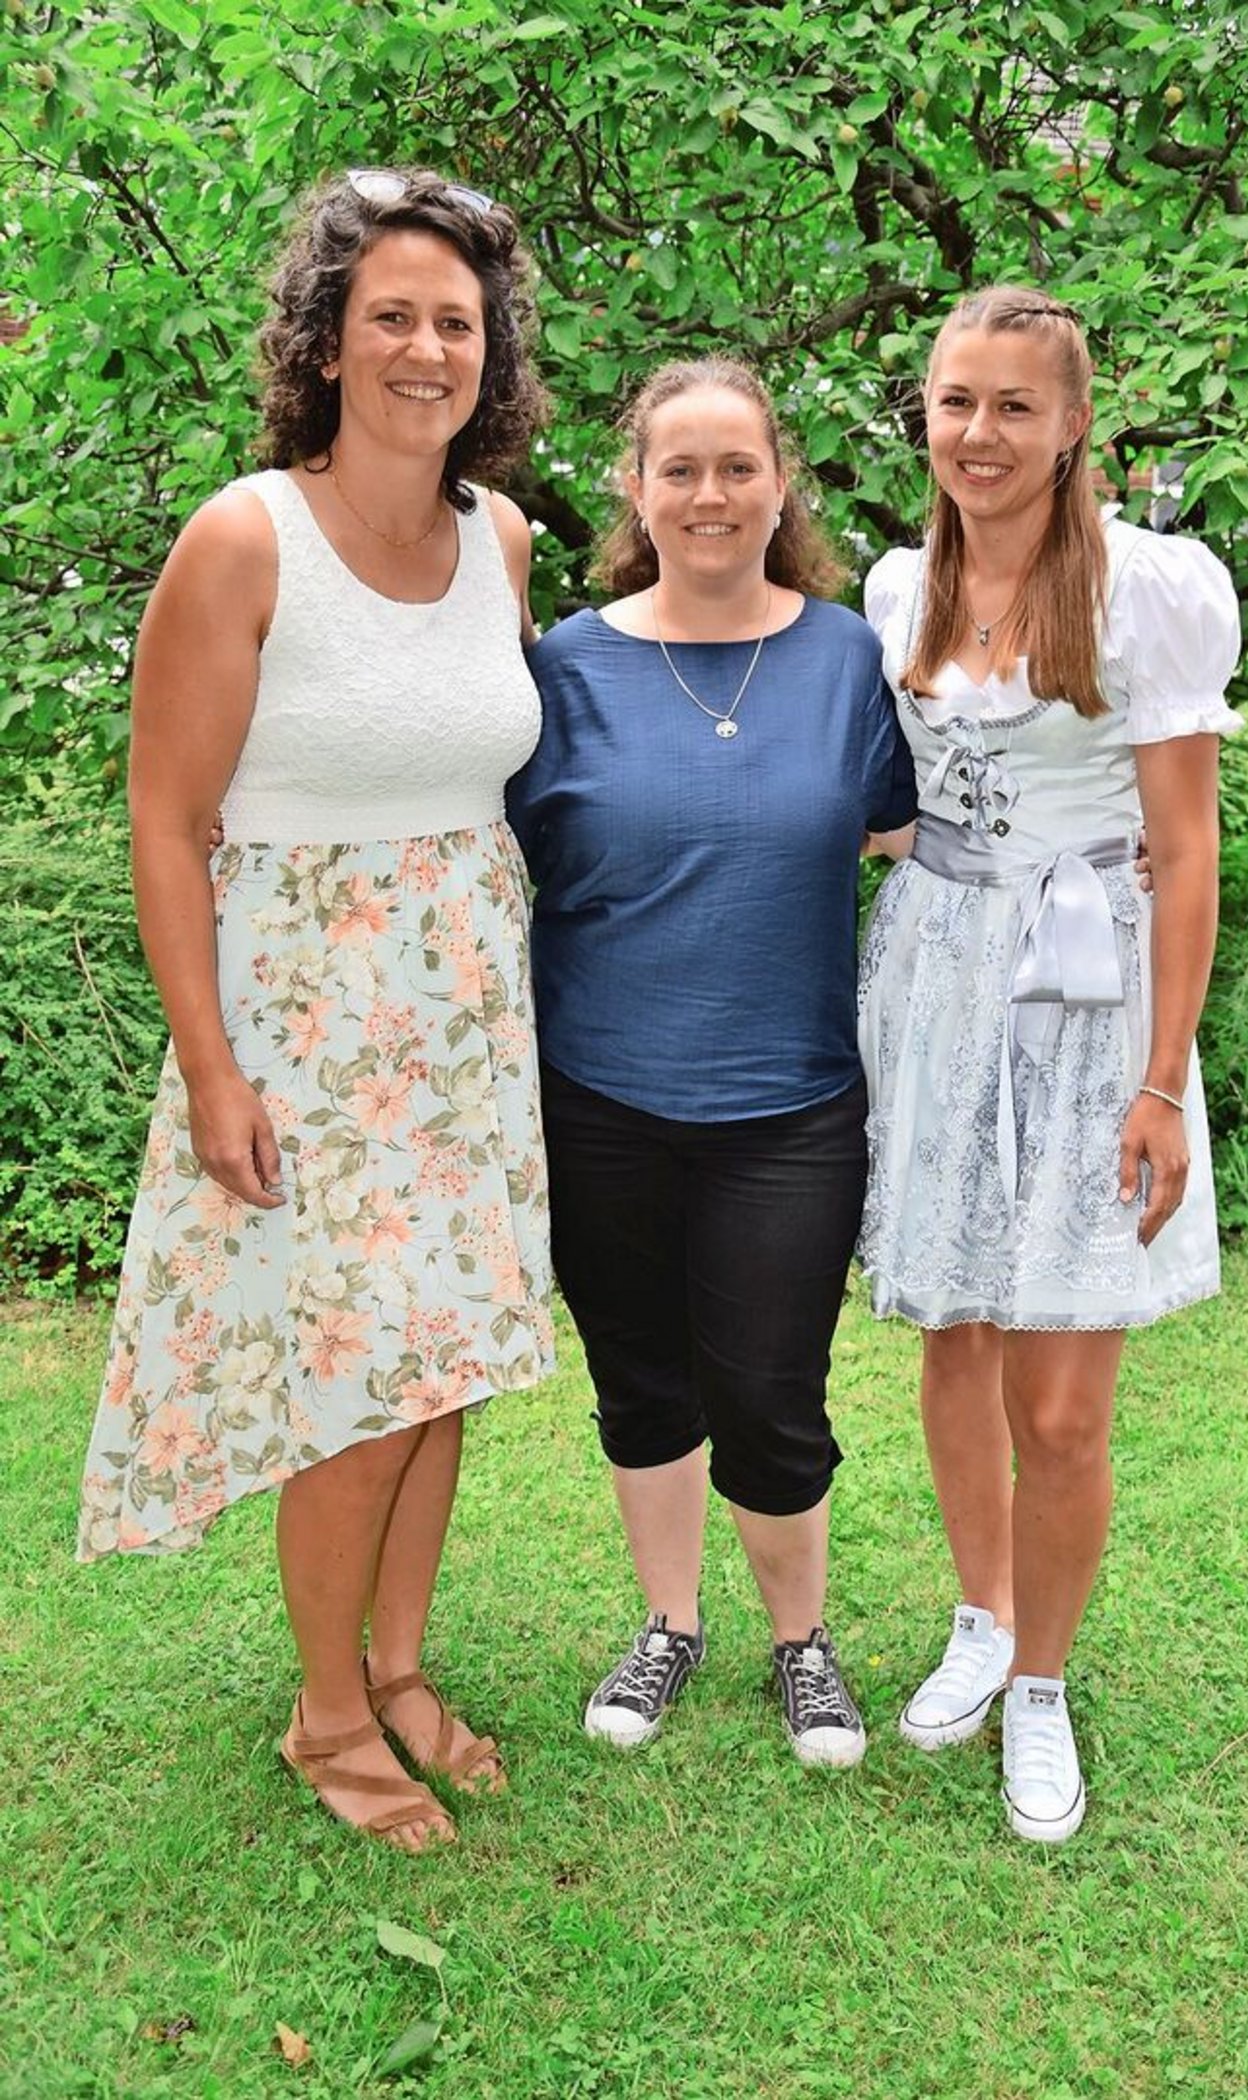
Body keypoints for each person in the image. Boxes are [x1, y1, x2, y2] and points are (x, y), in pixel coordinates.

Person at [77, 170, 554, 1851]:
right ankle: (329, 1713)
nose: (430, 347)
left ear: (490, 354)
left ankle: (404, 1665)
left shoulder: (503, 541)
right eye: (394, 319)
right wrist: (211, 1066)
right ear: (330, 344)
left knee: (445, 1371)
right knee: (353, 1387)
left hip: (469, 1016)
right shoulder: (244, 536)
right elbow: (164, 817)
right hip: (304, 1018)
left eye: (458, 321)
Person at [857, 286, 1242, 1840]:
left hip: (1090, 991)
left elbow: (1188, 846)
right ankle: (982, 1614)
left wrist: (1163, 1081)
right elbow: (896, 808)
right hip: (938, 973)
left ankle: (1043, 1684)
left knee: (1066, 1402)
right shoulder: (899, 590)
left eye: (1017, 406)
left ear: (1076, 423)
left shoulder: (1147, 590)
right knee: (954, 1327)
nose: (981, 435)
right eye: (958, 402)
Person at [507, 359, 916, 1766]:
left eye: (737, 465)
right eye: (679, 468)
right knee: (640, 1380)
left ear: (779, 482)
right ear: (635, 488)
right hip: (601, 1100)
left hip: (792, 1107)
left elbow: (906, 838)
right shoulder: (566, 666)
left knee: (771, 1389)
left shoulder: (849, 656)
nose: (710, 494)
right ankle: (670, 1624)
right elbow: (503, 865)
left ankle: (803, 1645)